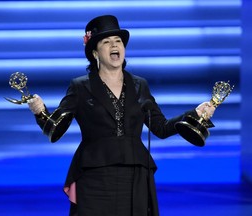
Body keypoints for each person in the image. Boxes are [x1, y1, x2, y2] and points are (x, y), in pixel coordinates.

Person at [27, 15, 216, 216]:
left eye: (118, 41)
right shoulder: (80, 86)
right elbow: (56, 131)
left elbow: (161, 128)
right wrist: (40, 112)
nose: (114, 45)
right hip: (94, 176)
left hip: (134, 174)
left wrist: (194, 114)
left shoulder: (139, 85)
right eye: (106, 42)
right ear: (95, 52)